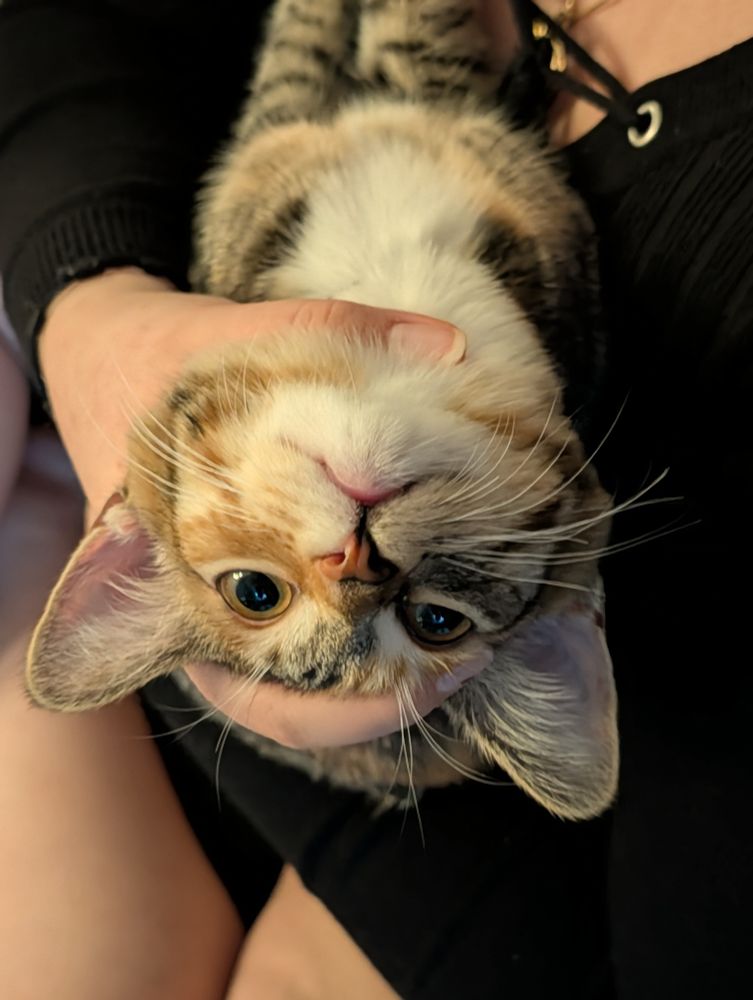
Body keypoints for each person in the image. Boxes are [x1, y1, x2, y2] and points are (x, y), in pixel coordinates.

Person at [0, 1, 751, 997]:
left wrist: (83, 310)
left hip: (230, 745)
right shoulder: (565, 306)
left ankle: (35, 538)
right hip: (442, 835)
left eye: (261, 592)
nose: (354, 574)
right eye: (433, 616)